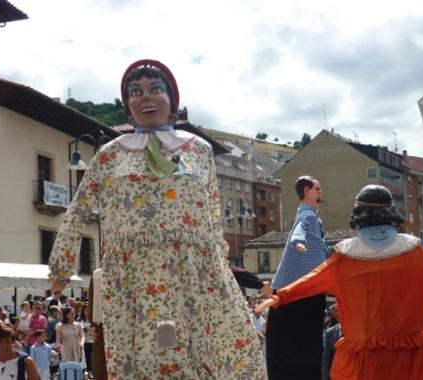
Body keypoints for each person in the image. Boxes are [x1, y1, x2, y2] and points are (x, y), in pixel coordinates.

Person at [48, 59, 265, 378]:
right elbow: (79, 209)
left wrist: (220, 265)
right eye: (135, 91)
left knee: (213, 351)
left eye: (155, 89)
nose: (145, 97)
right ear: (126, 104)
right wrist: (62, 267)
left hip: (191, 270)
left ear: (171, 99)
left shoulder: (198, 150)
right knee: (145, 358)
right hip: (133, 274)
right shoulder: (110, 154)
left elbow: (212, 211)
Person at [256, 185, 423, 379]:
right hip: (409, 359)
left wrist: (280, 296)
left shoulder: (345, 259)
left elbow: (310, 280)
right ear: (392, 212)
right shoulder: (413, 251)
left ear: (358, 214)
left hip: (364, 363)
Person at [265, 175, 328, 380]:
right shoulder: (307, 215)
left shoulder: (309, 214)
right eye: (317, 189)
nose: (320, 193)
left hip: (301, 287)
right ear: (307, 191)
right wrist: (298, 243)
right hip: (298, 287)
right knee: (304, 342)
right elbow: (298, 232)